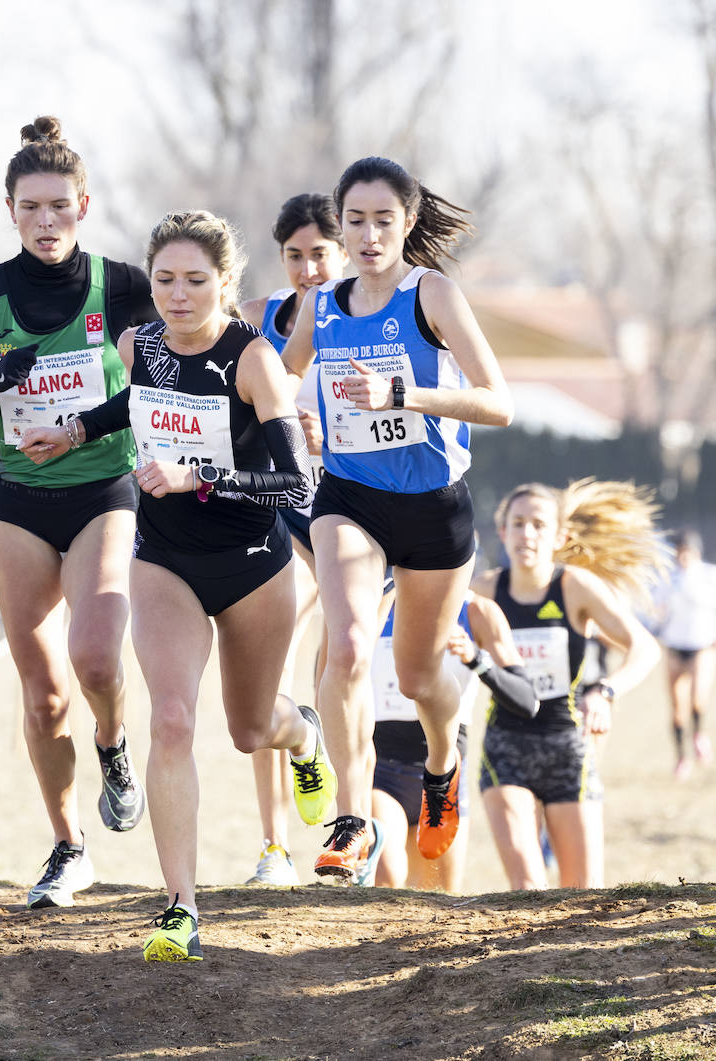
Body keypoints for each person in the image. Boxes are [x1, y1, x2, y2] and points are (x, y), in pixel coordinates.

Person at [21, 209, 332, 961]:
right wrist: (73, 432)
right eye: (164, 280)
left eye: (196, 281)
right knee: (171, 720)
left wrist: (203, 474)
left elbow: (296, 477)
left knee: (250, 729)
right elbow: (134, 404)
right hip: (164, 559)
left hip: (254, 562)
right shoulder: (140, 343)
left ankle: (304, 734)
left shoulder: (253, 360)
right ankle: (180, 907)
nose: (178, 295)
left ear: (227, 285)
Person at [0, 117, 156, 910]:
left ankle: (115, 745)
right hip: (18, 503)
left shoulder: (123, 284)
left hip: (102, 493)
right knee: (44, 693)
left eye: (60, 205)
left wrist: (89, 425)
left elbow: (165, 369)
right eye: (32, 207)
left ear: (84, 205)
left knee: (95, 661)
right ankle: (68, 845)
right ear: (11, 212)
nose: (47, 220)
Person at [280, 156, 514, 878]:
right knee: (347, 646)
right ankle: (352, 817)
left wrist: (406, 393)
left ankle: (444, 762)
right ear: (340, 225)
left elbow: (497, 400)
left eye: (385, 220)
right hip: (349, 498)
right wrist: (296, 423)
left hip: (433, 507)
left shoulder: (431, 294)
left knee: (416, 676)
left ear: (407, 223)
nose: (369, 233)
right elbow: (280, 380)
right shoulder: (321, 303)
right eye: (355, 220)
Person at [470, 479, 664, 890]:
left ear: (560, 536)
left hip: (568, 750)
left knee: (582, 896)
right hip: (506, 748)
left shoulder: (574, 587)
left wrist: (605, 691)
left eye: (538, 525)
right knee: (527, 890)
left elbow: (644, 648)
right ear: (502, 532)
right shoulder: (482, 592)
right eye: (517, 523)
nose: (527, 534)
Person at [236, 193, 349, 885]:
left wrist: (322, 435)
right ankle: (274, 845)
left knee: (339, 662)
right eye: (295, 255)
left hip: (340, 509)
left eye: (319, 254)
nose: (309, 268)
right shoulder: (256, 320)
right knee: (266, 669)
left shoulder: (364, 315)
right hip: (270, 506)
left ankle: (347, 824)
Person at [373, 585, 536, 892]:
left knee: (438, 897)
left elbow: (527, 700)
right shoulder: (370, 604)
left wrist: (476, 658)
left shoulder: (476, 611)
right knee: (386, 874)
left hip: (446, 777)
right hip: (382, 771)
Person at [650, 529, 716, 777]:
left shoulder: (711, 575)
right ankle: (681, 757)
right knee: (676, 708)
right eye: (679, 552)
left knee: (697, 698)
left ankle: (699, 734)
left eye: (686, 551)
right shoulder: (668, 578)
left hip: (701, 645)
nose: (682, 557)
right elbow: (656, 606)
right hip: (675, 645)